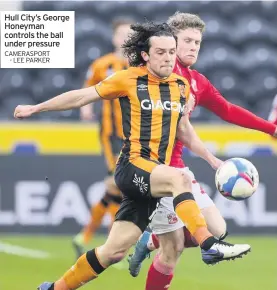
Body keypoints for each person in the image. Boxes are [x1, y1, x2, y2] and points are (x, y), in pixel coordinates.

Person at [14, 20, 250, 290]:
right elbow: (82, 97)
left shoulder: (180, 86)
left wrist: (211, 158)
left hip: (154, 180)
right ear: (146, 55)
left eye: (172, 52)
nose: (167, 57)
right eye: (160, 52)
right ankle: (209, 245)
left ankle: (53, 288)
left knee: (113, 251)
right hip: (133, 165)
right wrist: (36, 108)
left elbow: (183, 130)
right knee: (179, 178)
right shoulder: (129, 78)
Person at [128, 12, 277, 290]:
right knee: (172, 253)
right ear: (172, 42)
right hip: (156, 168)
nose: (194, 47)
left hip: (179, 167)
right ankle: (152, 242)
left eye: (198, 42)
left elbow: (228, 110)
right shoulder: (161, 75)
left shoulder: (196, 81)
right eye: (188, 41)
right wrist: (210, 159)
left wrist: (269, 128)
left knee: (217, 230)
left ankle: (149, 240)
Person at [72, 17, 133, 258]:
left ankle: (86, 237)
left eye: (130, 34)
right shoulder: (102, 64)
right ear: (114, 38)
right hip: (111, 135)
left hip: (135, 135)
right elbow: (87, 88)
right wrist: (85, 108)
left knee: (116, 187)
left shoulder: (141, 64)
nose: (125, 38)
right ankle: (108, 243)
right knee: (118, 184)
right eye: (121, 34)